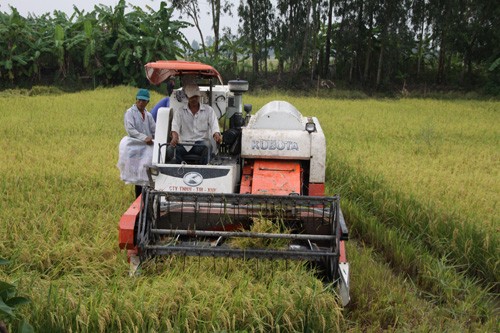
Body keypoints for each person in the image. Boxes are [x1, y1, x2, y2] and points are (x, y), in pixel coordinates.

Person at [169, 83, 222, 164]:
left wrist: (216, 135)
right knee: (170, 150)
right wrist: (174, 137)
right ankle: (180, 169)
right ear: (187, 97)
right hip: (184, 144)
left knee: (208, 146)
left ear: (199, 96)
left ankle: (202, 169)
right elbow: (175, 127)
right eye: (192, 97)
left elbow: (214, 125)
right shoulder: (179, 112)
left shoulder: (209, 110)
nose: (194, 99)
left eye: (196, 97)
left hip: (201, 144)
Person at [122, 88, 156, 197]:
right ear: (136, 100)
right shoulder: (130, 113)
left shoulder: (148, 115)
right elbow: (130, 130)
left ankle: (146, 198)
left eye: (144, 101)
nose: (141, 102)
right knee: (137, 176)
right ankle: (138, 199)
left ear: (147, 102)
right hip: (135, 147)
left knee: (147, 173)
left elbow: (154, 130)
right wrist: (144, 138)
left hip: (147, 149)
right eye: (139, 100)